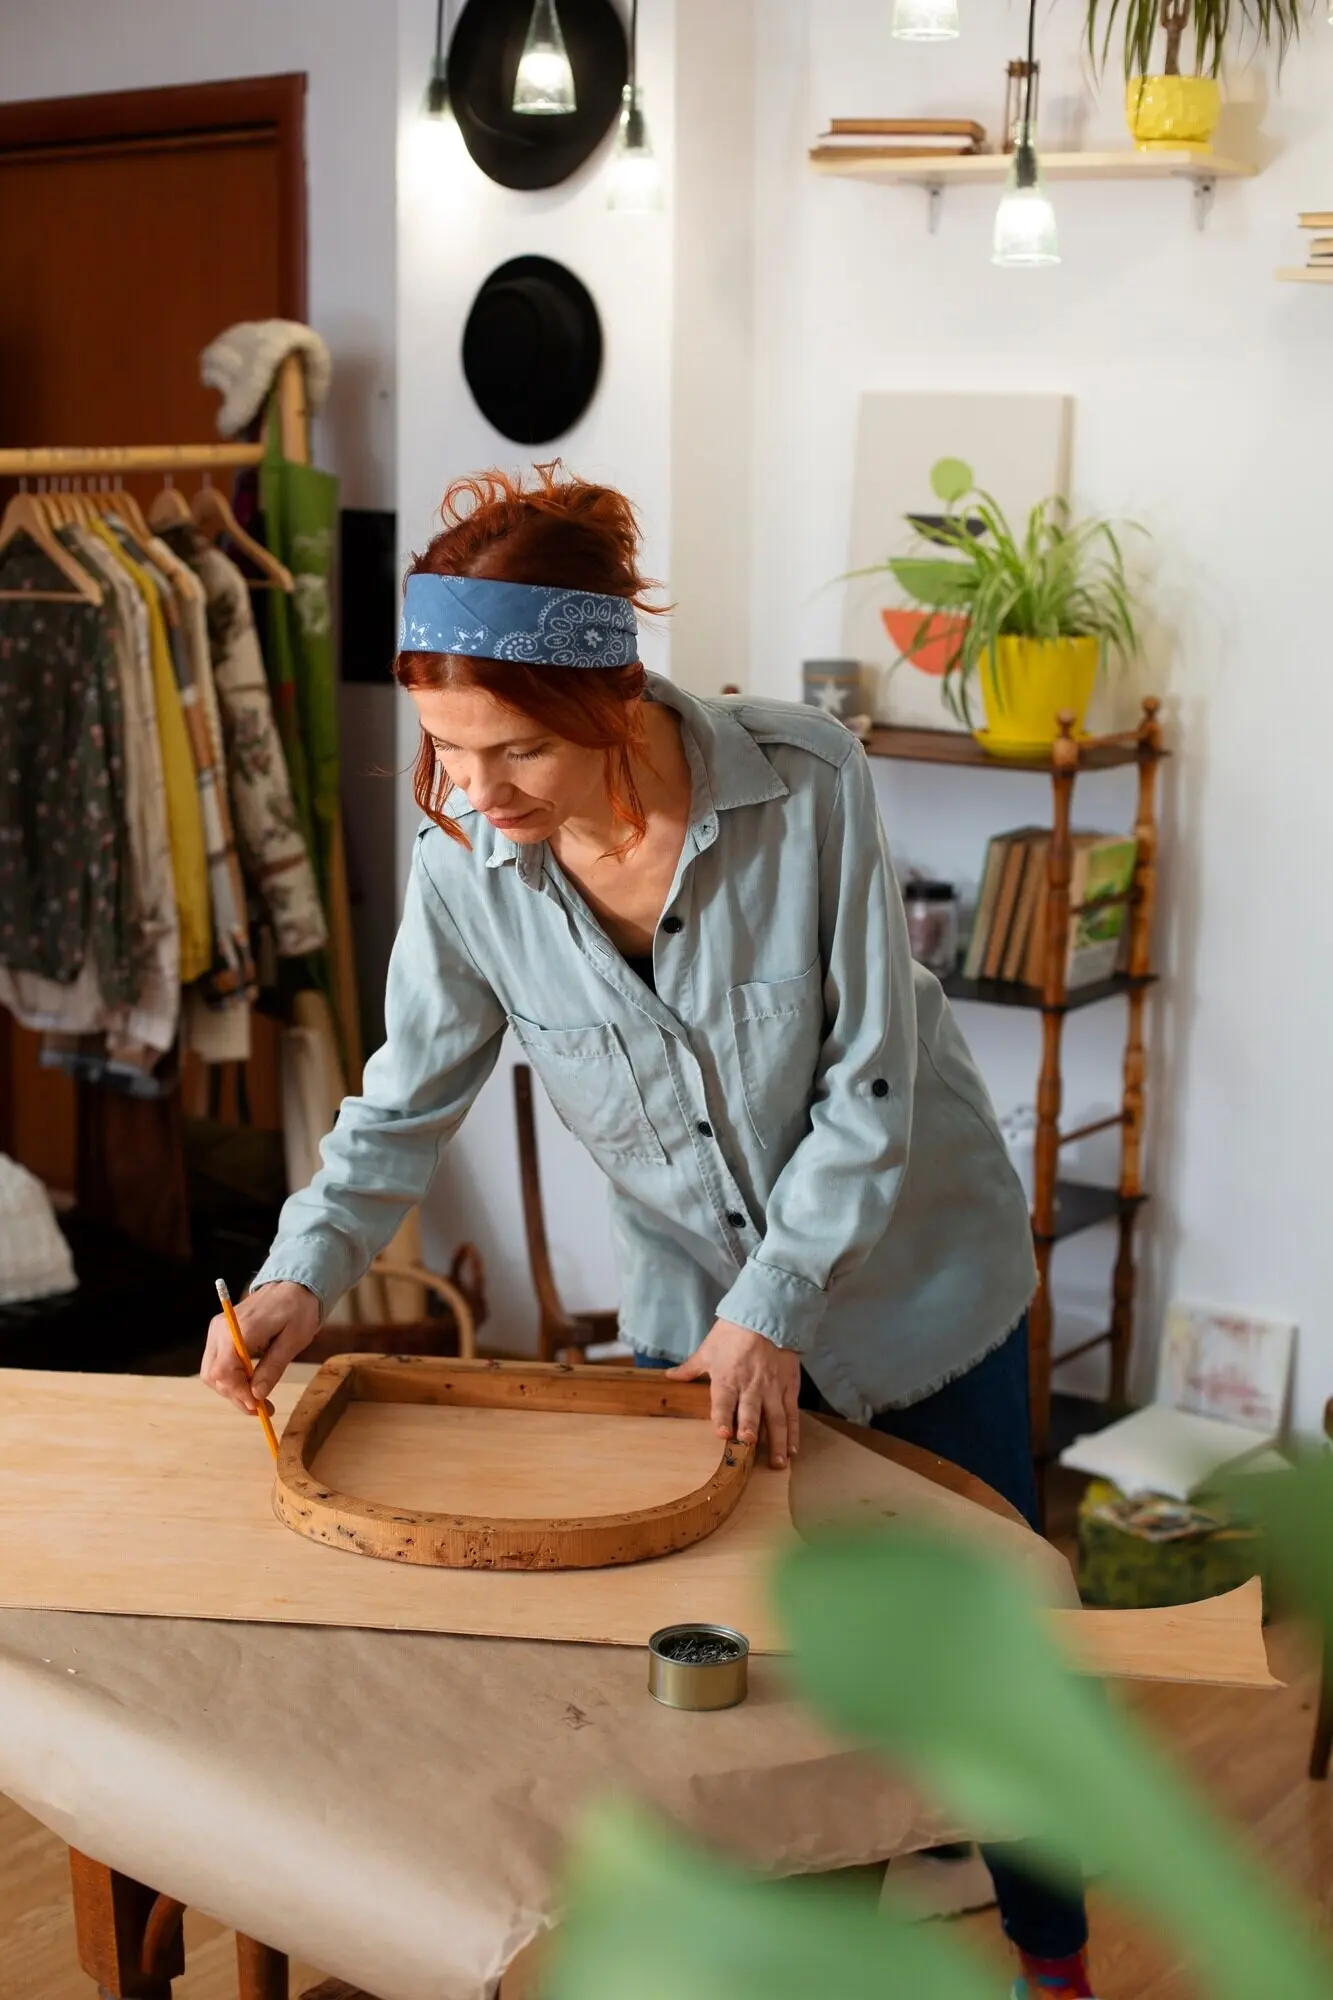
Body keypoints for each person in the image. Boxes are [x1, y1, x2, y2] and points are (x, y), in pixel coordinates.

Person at [203, 463, 1097, 2000]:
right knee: (752, 1700)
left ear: (615, 696)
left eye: (519, 747)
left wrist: (779, 1300)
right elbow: (402, 1100)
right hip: (700, 1327)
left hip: (916, 1289)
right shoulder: (468, 867)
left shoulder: (806, 782)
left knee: (989, 1670)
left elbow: (870, 1084)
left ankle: (1055, 1962)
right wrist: (302, 1273)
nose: (479, 789)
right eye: (446, 749)